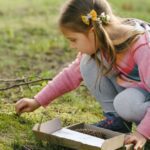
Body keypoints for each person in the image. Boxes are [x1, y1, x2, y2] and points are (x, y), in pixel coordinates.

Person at [15, 0, 150, 149]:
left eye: (73, 40)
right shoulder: (101, 43)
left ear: (93, 32)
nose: (72, 46)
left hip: (143, 98)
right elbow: (70, 75)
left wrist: (142, 133)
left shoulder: (143, 47)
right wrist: (37, 101)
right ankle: (117, 122)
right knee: (87, 63)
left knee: (125, 103)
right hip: (138, 92)